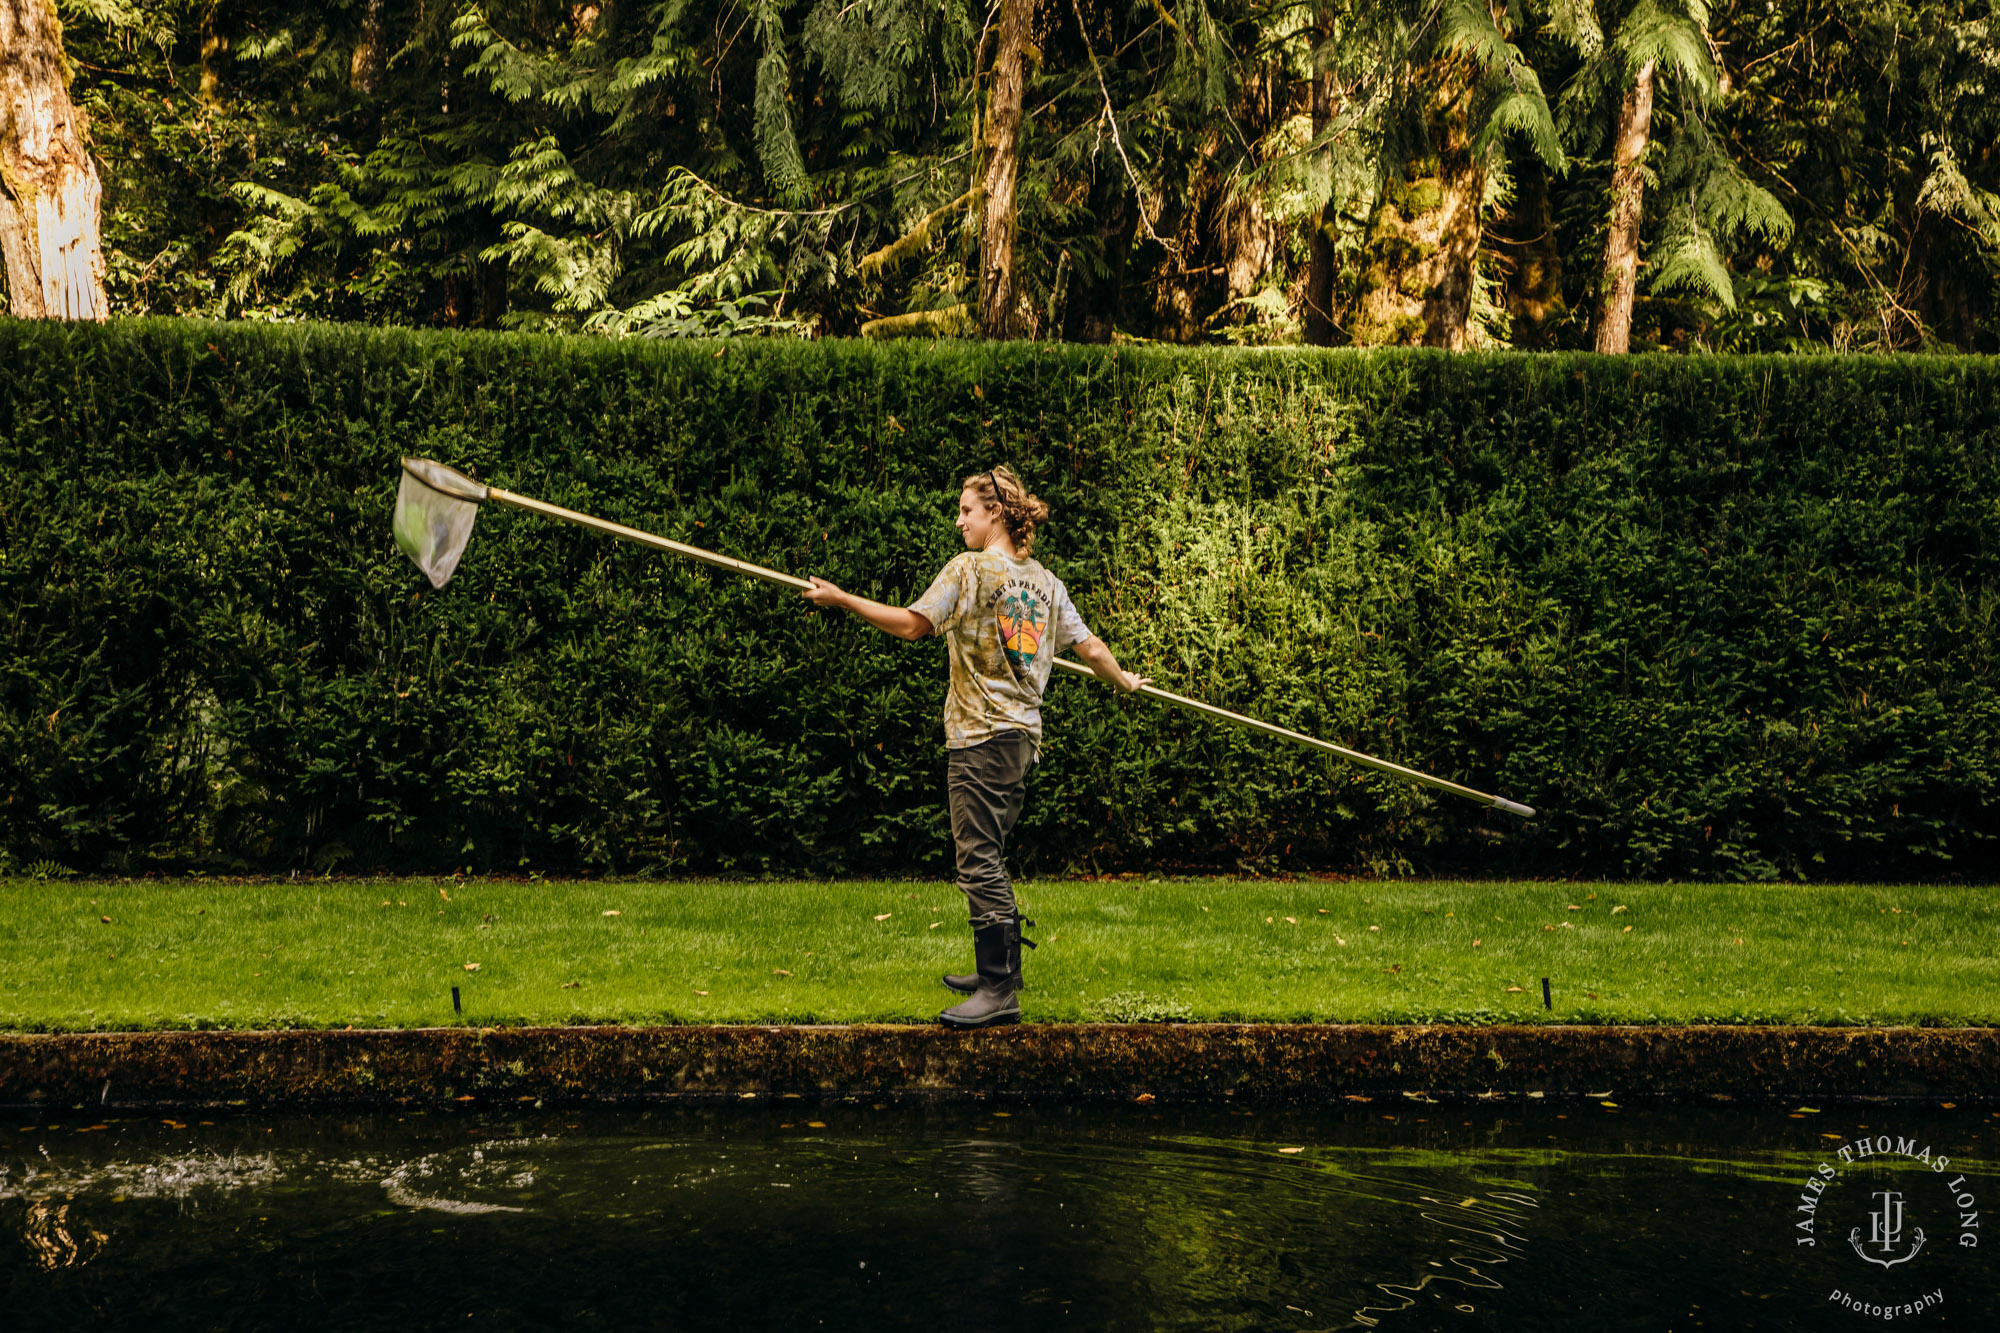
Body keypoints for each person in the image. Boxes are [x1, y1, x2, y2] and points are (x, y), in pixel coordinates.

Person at [802, 466, 1148, 1027]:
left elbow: (914, 625)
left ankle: (998, 988)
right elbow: (1089, 649)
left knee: (978, 858)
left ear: (997, 514)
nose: (959, 519)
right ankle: (997, 967)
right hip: (1021, 743)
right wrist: (1124, 681)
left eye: (967, 510)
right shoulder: (1046, 583)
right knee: (986, 852)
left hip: (979, 740)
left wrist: (842, 599)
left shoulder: (969, 570)